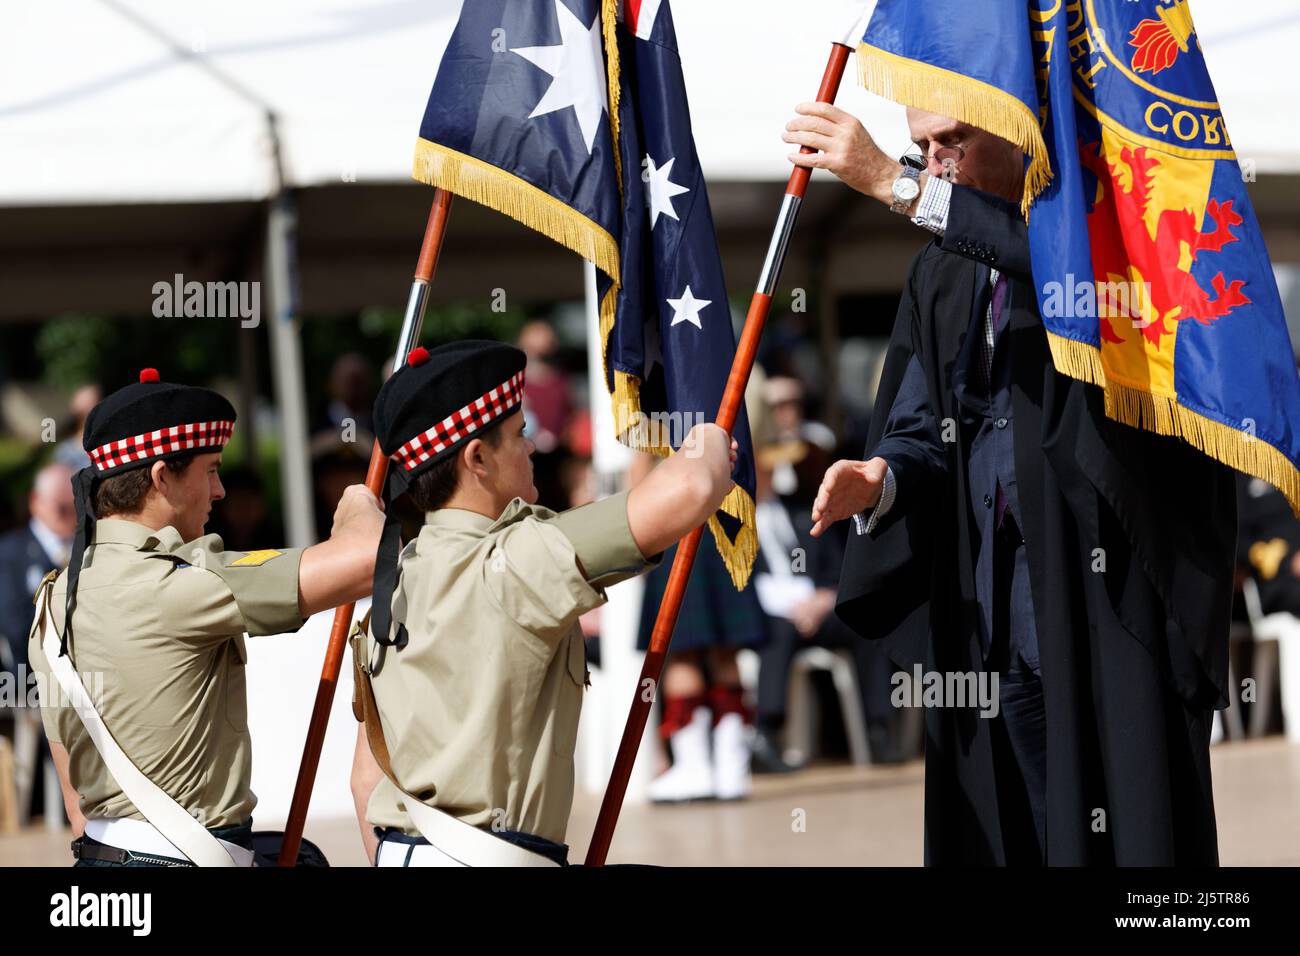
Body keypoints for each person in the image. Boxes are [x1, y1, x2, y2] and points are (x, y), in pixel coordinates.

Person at [785, 102, 1236, 865]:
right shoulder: (939, 268)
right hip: (993, 617)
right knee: (1023, 832)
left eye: (953, 141)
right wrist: (880, 477)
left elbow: (1051, 266)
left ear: (1018, 129)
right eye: (921, 147)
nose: (935, 162)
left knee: (1129, 837)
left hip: (1104, 604)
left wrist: (891, 185)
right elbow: (920, 425)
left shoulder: (1101, 234)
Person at [348, 341, 738, 866]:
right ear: (477, 458)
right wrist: (711, 436)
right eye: (520, 435)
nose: (532, 448)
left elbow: (365, 781)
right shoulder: (513, 560)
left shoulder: (390, 588)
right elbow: (690, 489)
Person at [28, 368, 383, 866]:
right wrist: (358, 502)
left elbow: (75, 796)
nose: (220, 491)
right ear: (161, 477)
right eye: (210, 469)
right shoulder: (184, 583)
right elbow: (369, 558)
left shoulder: (55, 599)